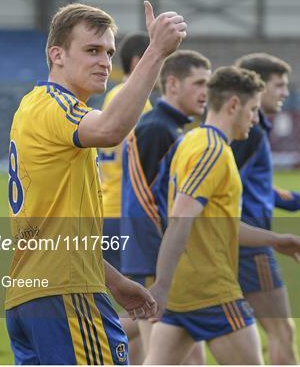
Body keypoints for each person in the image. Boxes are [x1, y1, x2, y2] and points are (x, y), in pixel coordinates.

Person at [5, 1, 187, 364]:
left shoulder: (34, 107)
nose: (104, 61)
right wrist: (156, 52)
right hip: (66, 296)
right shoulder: (56, 105)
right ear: (56, 54)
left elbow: (53, 233)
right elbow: (111, 129)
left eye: (108, 52)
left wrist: (116, 282)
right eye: (91, 50)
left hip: (30, 296)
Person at [144, 66, 300, 365]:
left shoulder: (192, 141)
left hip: (183, 294)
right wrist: (162, 285)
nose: (256, 119)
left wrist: (274, 240)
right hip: (211, 291)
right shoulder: (212, 151)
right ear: (234, 105)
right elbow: (181, 219)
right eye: (253, 109)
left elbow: (219, 224)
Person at [233, 53, 300, 364]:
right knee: (281, 331)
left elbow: (258, 189)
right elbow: (220, 187)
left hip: (233, 241)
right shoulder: (247, 134)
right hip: (249, 245)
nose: (285, 93)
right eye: (279, 85)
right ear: (258, 86)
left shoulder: (251, 130)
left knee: (190, 330)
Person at [121, 49, 211, 363]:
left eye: (208, 85)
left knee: (190, 357)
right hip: (153, 260)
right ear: (172, 84)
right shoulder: (157, 129)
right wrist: (160, 261)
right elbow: (141, 202)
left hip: (164, 259)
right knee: (161, 357)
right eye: (199, 83)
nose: (205, 93)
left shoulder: (173, 129)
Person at [97, 31, 152, 364]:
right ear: (138, 62)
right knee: (149, 305)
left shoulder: (114, 95)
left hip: (109, 207)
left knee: (133, 304)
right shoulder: (138, 102)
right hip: (125, 213)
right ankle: (93, 339)